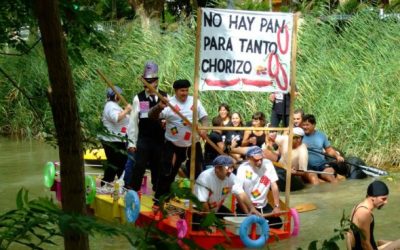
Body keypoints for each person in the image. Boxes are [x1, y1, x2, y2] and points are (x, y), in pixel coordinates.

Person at [149, 79, 208, 206]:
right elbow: (151, 116)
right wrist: (158, 107)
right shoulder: (168, 103)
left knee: (199, 172)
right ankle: (159, 199)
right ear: (176, 91)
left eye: (186, 90)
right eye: (182, 90)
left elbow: (204, 117)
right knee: (167, 172)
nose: (185, 93)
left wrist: (204, 127)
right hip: (173, 144)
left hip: (193, 143)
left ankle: (200, 201)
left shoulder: (195, 101)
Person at [125, 61, 167, 191]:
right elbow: (135, 120)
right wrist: (132, 142)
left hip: (159, 138)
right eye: (146, 82)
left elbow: (169, 116)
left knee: (158, 166)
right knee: (139, 165)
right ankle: (133, 191)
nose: (148, 85)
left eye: (151, 81)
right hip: (144, 138)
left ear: (156, 81)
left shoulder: (165, 96)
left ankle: (158, 193)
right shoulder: (140, 98)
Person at [232, 146, 282, 229]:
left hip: (263, 205)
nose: (259, 162)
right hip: (246, 205)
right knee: (248, 227)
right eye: (256, 160)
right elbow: (238, 192)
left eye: (261, 159)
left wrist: (277, 206)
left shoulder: (268, 164)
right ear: (248, 158)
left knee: (277, 224)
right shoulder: (242, 168)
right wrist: (249, 210)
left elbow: (274, 185)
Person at [348, 180, 400, 250]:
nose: (386, 202)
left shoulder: (357, 207)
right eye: (383, 199)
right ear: (373, 198)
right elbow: (365, 244)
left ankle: (380, 244)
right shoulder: (365, 213)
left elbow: (348, 235)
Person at [99, 86, 132, 186]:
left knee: (119, 163)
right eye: (119, 95)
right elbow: (116, 118)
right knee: (116, 163)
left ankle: (121, 183)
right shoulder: (110, 106)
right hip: (112, 140)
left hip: (118, 139)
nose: (121, 97)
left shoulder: (114, 106)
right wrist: (127, 110)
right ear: (115, 96)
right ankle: (107, 183)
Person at [301, 114, 344, 183]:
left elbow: (329, 150)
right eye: (303, 125)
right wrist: (301, 146)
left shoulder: (321, 135)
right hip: (307, 167)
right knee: (314, 180)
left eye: (307, 125)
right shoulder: (299, 135)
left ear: (314, 125)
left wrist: (337, 156)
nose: (305, 127)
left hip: (322, 164)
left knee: (331, 178)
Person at [193, 155, 236, 221]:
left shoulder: (230, 176)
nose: (230, 171)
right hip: (199, 209)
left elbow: (240, 193)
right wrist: (210, 221)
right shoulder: (205, 177)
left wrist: (249, 209)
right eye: (228, 168)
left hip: (215, 207)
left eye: (232, 168)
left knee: (232, 219)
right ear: (217, 169)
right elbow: (203, 202)